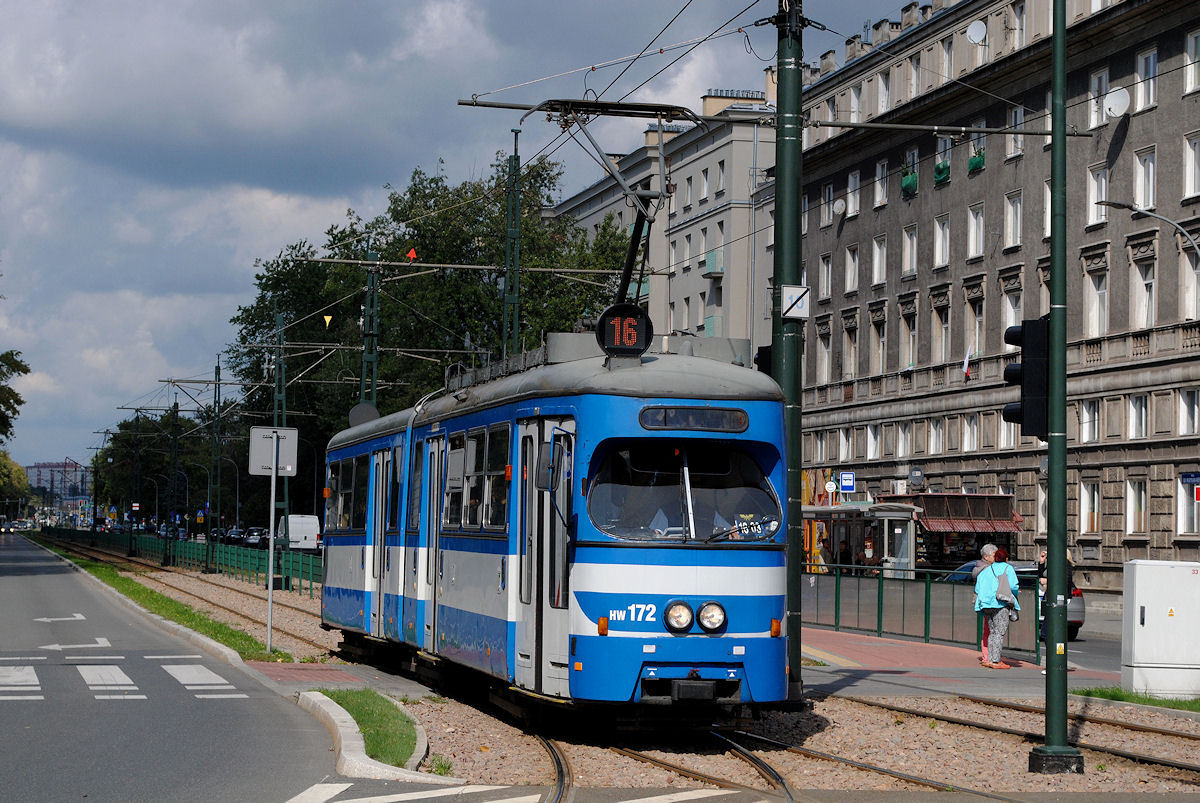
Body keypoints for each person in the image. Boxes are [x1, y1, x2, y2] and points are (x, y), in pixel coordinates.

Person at [974, 546, 1020, 669]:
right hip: (1000, 603)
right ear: (1006, 558)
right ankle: (996, 661)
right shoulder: (1007, 568)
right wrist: (1014, 593)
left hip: (986, 605)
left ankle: (989, 659)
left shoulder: (986, 570)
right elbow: (1014, 586)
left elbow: (978, 588)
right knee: (999, 633)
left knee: (992, 632)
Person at [972, 543, 998, 664]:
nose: (996, 557)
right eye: (994, 554)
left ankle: (988, 655)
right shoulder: (987, 569)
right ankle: (988, 656)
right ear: (986, 557)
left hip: (984, 602)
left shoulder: (980, 567)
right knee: (991, 629)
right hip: (989, 602)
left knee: (989, 629)